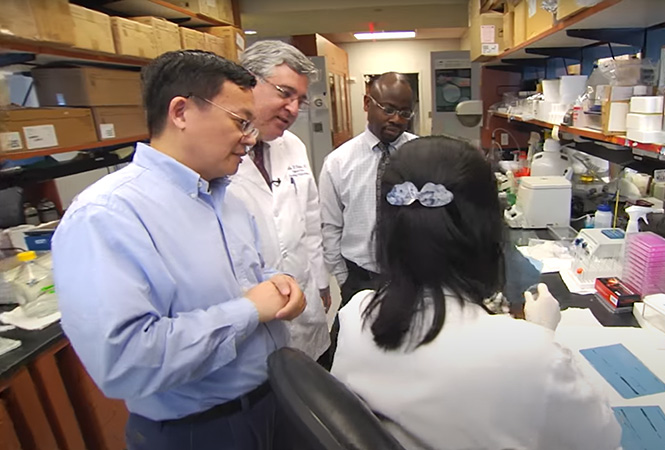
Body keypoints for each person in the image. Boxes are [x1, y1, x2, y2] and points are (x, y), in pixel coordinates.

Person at [52, 50, 306, 450]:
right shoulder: (106, 216)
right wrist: (250, 310)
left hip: (273, 402)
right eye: (241, 122)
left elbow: (251, 276)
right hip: (199, 431)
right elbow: (125, 362)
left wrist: (280, 284)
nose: (250, 136)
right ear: (181, 111)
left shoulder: (228, 198)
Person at [331, 136, 621, 450]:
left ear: (387, 227)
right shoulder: (534, 358)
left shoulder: (356, 314)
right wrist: (542, 336)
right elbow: (604, 439)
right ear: (487, 225)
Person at [228, 40, 330, 364]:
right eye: (284, 93)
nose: (294, 109)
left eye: (299, 99)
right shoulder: (217, 154)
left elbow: (310, 223)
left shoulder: (294, 146)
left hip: (306, 302)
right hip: (253, 317)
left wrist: (322, 283)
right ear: (247, 81)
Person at [318, 72, 417, 306]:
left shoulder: (422, 154)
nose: (397, 119)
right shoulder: (338, 162)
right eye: (388, 109)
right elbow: (330, 227)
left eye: (405, 113)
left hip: (413, 276)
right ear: (367, 103)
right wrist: (344, 280)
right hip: (360, 278)